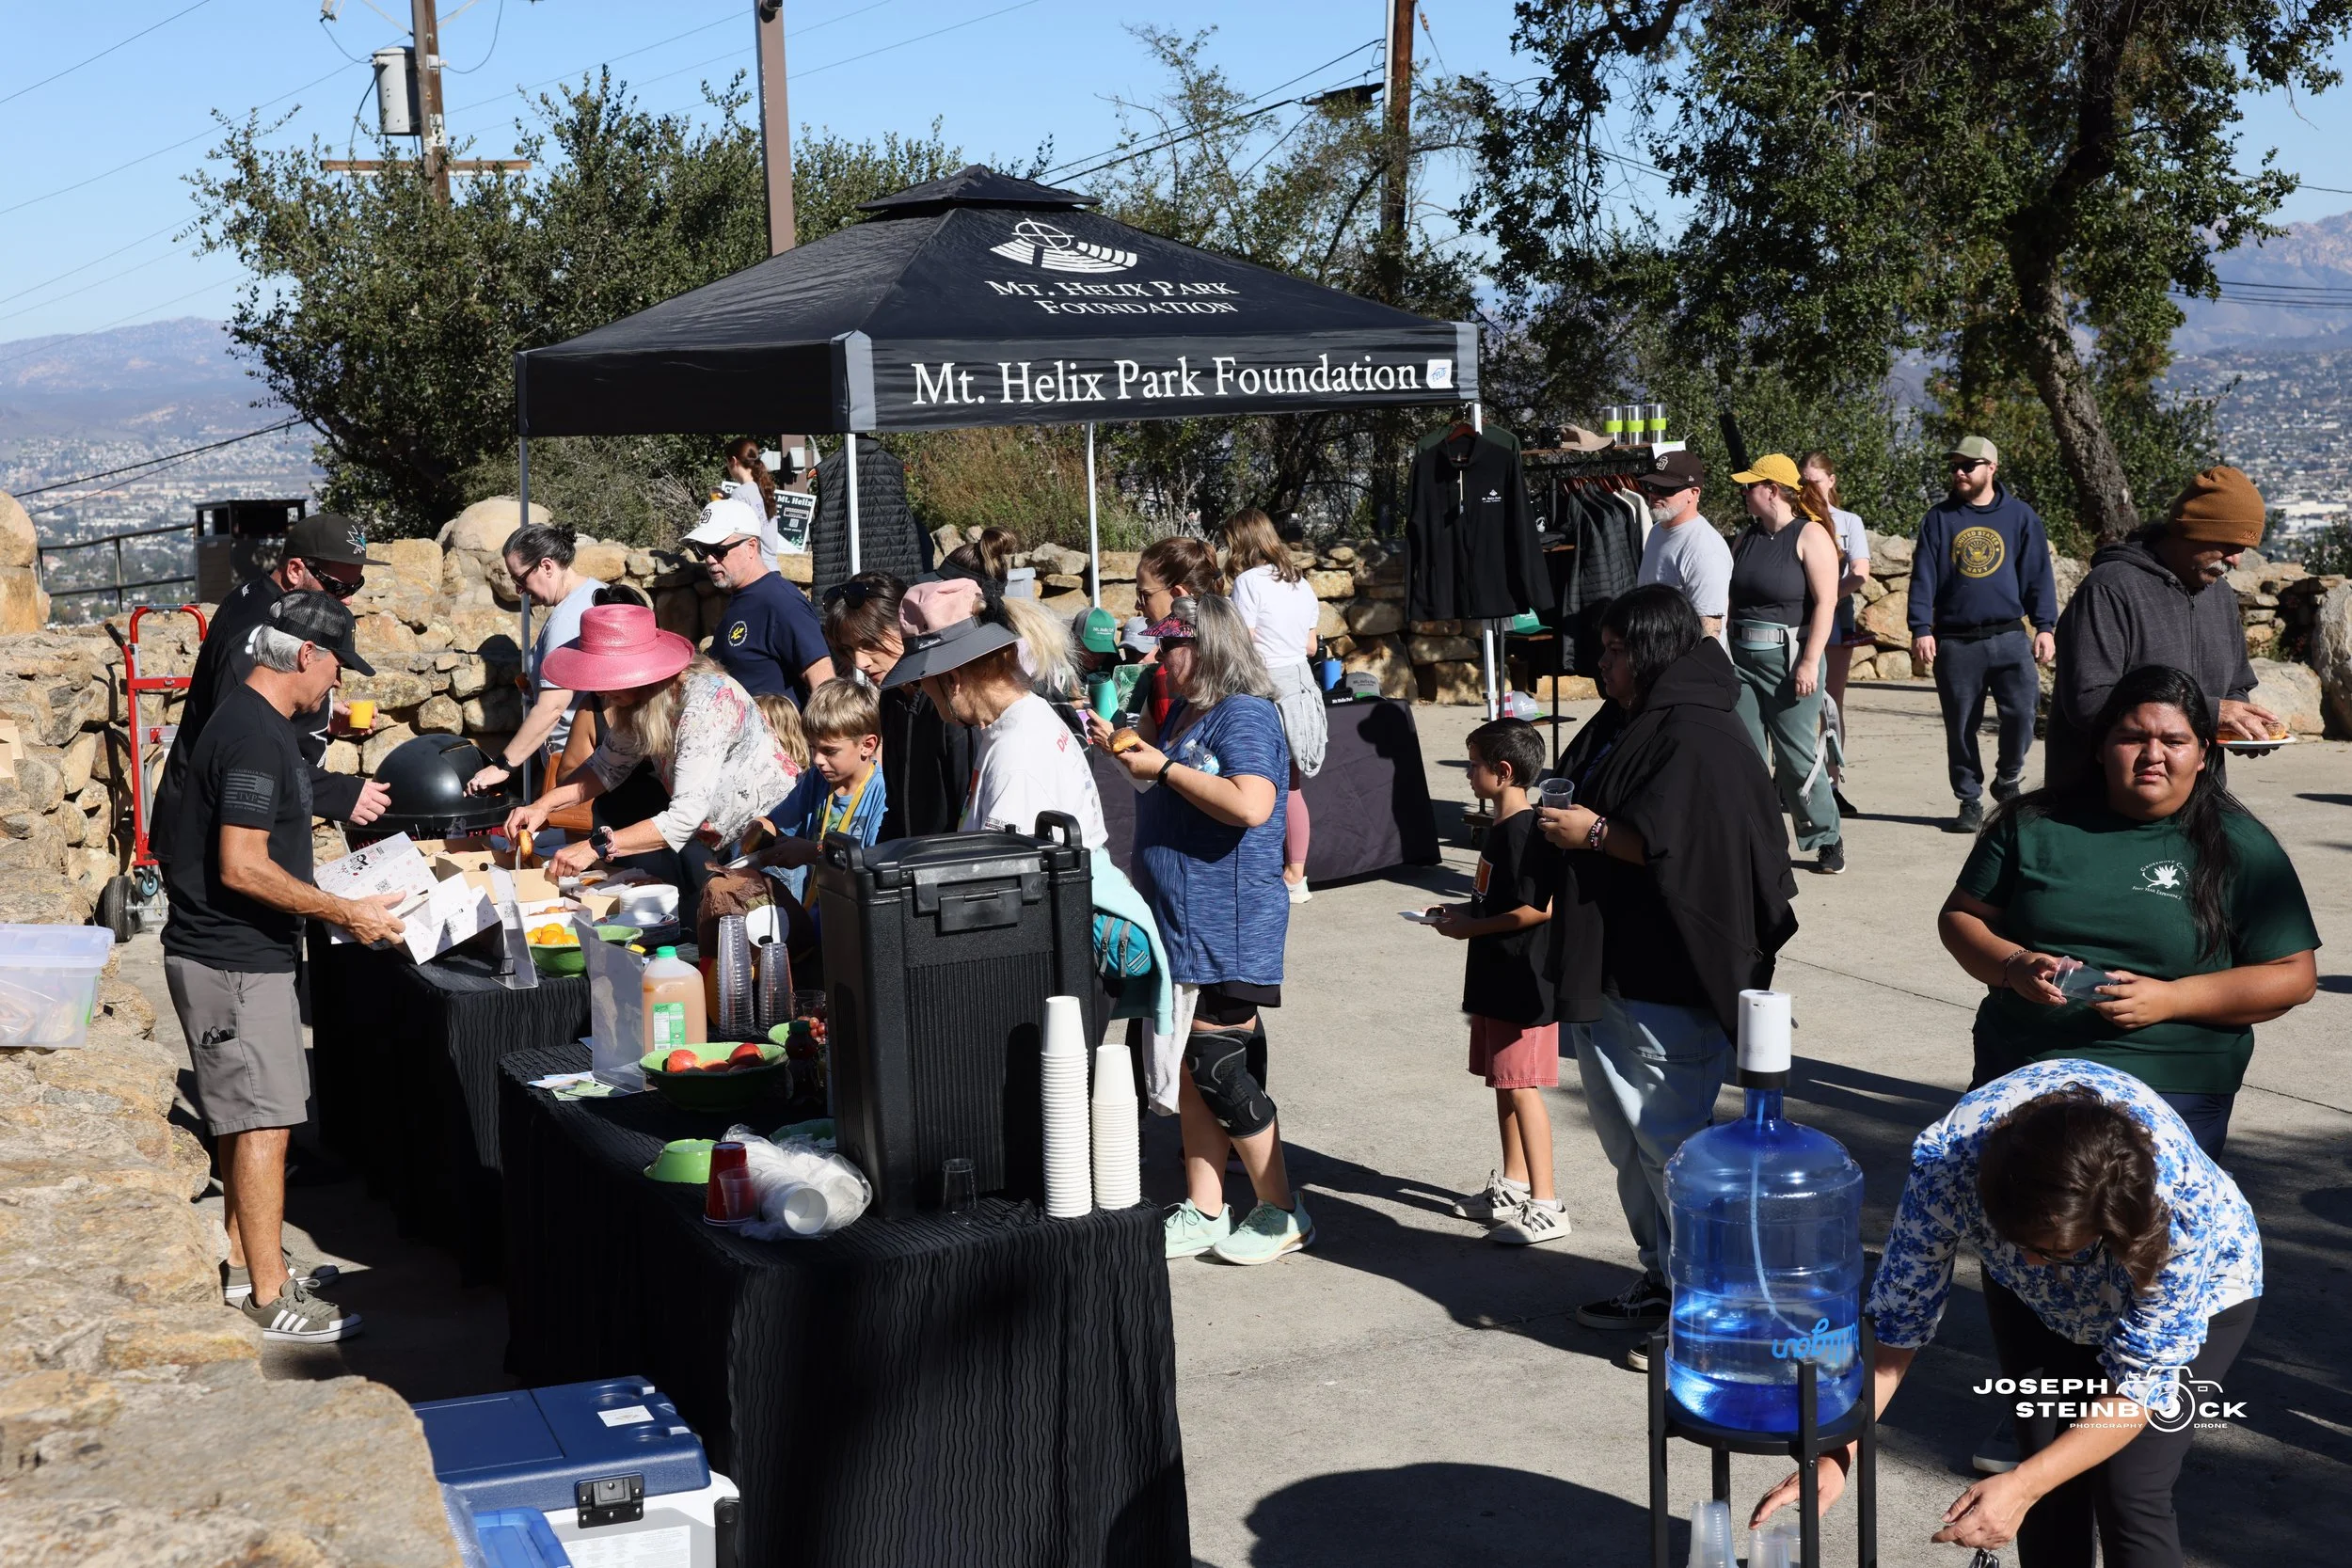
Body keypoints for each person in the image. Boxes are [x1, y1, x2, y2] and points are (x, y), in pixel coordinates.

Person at [1753, 1062, 2262, 1568]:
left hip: (2204, 1294)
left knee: (2130, 1488)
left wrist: (2023, 1485)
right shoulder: (1948, 1166)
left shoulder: (2178, 1213)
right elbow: (1897, 1323)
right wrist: (1840, 1449)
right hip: (2035, 1308)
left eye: (2056, 1251)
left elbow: (2139, 1387)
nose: (2037, 1263)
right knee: (2041, 1475)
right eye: (2016, 1243)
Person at [1534, 585, 1796, 1353]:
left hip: (1668, 980)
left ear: (1650, 649)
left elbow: (1691, 849)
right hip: (1617, 969)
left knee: (1670, 1148)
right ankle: (1667, 1279)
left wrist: (1594, 832)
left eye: (1615, 650)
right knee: (1634, 1148)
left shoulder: (1699, 733)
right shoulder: (1639, 719)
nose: (1602, 663)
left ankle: (1712, 1311)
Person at [1937, 664, 2318, 1156]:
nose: (2153, 756)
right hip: (2027, 1064)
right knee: (1982, 1205)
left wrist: (2171, 999)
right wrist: (2013, 965)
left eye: (2174, 741)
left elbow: (2294, 977)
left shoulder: (2241, 847)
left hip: (2170, 1077)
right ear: (2099, 747)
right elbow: (1961, 916)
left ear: (2204, 753)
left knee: (2134, 1223)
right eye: (2132, 737)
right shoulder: (2031, 825)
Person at [158, 593, 405, 1342]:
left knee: (245, 1121)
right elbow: (241, 864)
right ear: (305, 655)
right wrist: (345, 910)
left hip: (237, 953)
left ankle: (246, 1265)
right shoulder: (257, 738)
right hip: (232, 959)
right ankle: (271, 1294)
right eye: (335, 666)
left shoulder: (251, 722)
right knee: (265, 1124)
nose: (337, 683)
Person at [1086, 594, 1309, 1266]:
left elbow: (1252, 803)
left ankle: (1283, 1208)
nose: (1158, 657)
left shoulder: (1245, 713)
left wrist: (1164, 765)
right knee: (1191, 1071)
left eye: (1171, 646)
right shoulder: (1189, 710)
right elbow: (1180, 789)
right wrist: (1134, 755)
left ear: (1207, 648)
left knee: (1217, 1069)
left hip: (1230, 924)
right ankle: (1206, 1208)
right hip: (1187, 923)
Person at [501, 605, 798, 886]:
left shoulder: (704, 706)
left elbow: (683, 817)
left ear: (637, 673)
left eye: (605, 678)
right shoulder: (642, 701)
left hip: (772, 839)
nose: (598, 691)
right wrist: (541, 806)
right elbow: (605, 767)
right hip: (728, 838)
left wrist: (595, 847)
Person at [153, 512, 390, 853]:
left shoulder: (275, 606)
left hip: (249, 820)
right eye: (338, 587)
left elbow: (271, 706)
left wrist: (324, 718)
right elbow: (239, 744)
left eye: (357, 586)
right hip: (212, 839)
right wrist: (340, 794)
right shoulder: (260, 632)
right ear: (295, 570)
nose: (349, 599)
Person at [1423, 718, 1565, 1247]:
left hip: (1523, 985)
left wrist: (1473, 928)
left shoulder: (1526, 832)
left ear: (1502, 773)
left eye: (1473, 763)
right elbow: (1495, 901)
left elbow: (1539, 908)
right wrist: (1454, 911)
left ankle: (1547, 1204)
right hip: (1495, 977)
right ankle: (1513, 1183)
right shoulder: (1499, 832)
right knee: (1504, 1084)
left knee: (1522, 1089)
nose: (1467, 772)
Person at [2049, 465, 2282, 784]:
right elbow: (2089, 702)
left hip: (2199, 801)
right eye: (2229, 545)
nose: (2236, 560)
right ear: (2193, 530)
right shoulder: (2110, 588)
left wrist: (2238, 723)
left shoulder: (2221, 595)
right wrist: (2211, 714)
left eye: (2243, 549)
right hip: (2108, 803)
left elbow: (2235, 686)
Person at [882, 578, 1108, 850]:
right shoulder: (1023, 720)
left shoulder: (1016, 757)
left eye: (921, 681)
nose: (922, 691)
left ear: (952, 680)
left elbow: (1003, 879)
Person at [1909, 436, 2058, 833]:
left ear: (1991, 468)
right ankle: (1969, 800)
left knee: (2023, 715)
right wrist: (1921, 627)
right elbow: (1923, 576)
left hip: (2009, 636)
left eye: (1968, 465)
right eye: (1955, 465)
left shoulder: (2020, 516)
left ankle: (2007, 778)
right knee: (1961, 726)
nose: (1959, 471)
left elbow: (2038, 575)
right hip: (1955, 641)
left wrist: (2045, 626)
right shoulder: (1940, 518)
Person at [699, 678, 888, 965]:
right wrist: (759, 830)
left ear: (867, 745)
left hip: (857, 930)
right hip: (816, 920)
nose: (818, 760)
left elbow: (870, 863)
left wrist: (810, 853)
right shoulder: (816, 780)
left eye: (829, 751)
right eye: (812, 748)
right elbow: (777, 820)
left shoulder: (881, 792)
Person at [1725, 452, 1845, 874]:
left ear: (1772, 490)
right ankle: (1758, 841)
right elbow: (1729, 600)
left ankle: (1826, 837)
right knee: (1746, 755)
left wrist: (1810, 662)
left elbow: (1827, 603)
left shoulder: (1810, 536)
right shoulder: (1744, 537)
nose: (1743, 494)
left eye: (1749, 486)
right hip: (1740, 660)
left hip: (1790, 660)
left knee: (1796, 759)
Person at [1221, 507, 1327, 903]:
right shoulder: (1300, 582)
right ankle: (1296, 875)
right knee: (1292, 786)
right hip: (1302, 684)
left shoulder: (1248, 582)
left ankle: (1266, 872)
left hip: (1265, 686)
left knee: (1259, 782)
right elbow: (1312, 646)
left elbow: (1242, 643)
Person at [821, 573, 975, 842]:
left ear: (904, 628)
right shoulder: (891, 699)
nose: (860, 661)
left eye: (869, 643)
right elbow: (895, 810)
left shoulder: (950, 705)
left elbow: (968, 814)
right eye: (848, 649)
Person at [465, 520, 605, 797]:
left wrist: (503, 766)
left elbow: (553, 707)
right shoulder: (595, 592)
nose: (519, 590)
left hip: (575, 763)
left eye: (520, 579)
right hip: (597, 758)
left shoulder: (566, 620)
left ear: (547, 566)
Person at [682, 496, 834, 703]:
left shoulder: (782, 603)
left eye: (719, 550)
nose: (709, 559)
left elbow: (824, 687)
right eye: (703, 550)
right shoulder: (741, 595)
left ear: (751, 546)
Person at [1800, 450, 1870, 804]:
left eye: (1814, 481)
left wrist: (1826, 597)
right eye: (1803, 482)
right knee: (1791, 703)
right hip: (1796, 618)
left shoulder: (1848, 522)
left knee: (1832, 704)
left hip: (1837, 618)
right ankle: (1787, 778)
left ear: (1831, 480)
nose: (1809, 488)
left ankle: (1831, 783)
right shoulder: (1796, 520)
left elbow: (1860, 573)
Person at [1632, 448, 1732, 638]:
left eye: (1666, 489)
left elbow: (1709, 633)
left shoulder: (1705, 550)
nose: (1654, 495)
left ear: (1693, 493)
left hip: (1686, 664)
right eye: (1651, 487)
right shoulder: (1657, 530)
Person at [1135, 536, 1227, 730]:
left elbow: (1154, 751)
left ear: (1177, 595)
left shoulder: (1175, 673)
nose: (1137, 605)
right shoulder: (1228, 650)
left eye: (1145, 595)